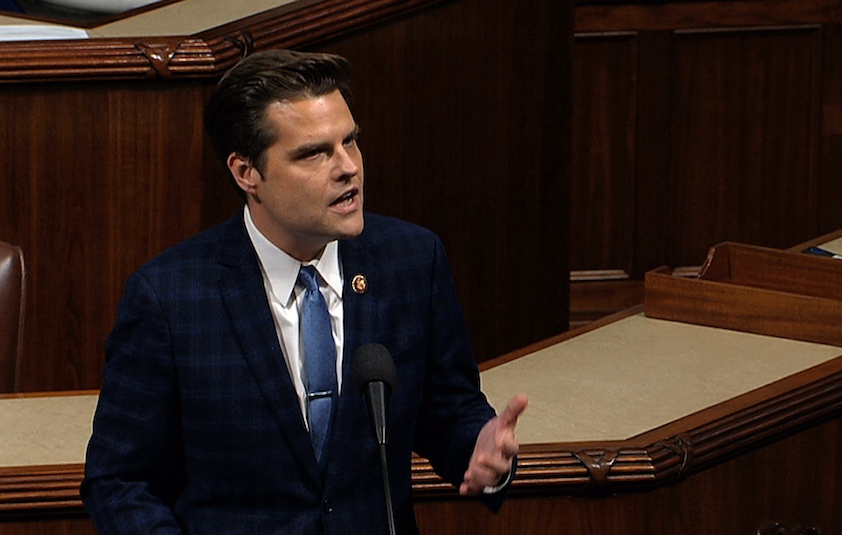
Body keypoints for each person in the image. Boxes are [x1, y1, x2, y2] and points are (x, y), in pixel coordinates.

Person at [81, 48, 528, 534]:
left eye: (350, 142)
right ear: (246, 173)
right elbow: (118, 480)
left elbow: (450, 410)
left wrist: (481, 452)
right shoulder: (171, 297)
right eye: (314, 153)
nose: (348, 168)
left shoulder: (412, 261)